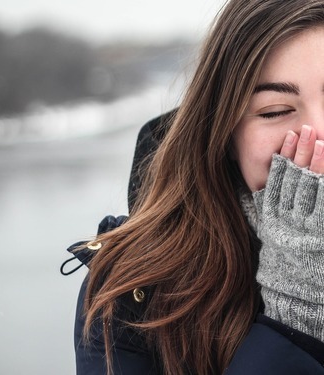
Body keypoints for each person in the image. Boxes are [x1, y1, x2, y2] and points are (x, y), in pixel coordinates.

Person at [62, 0, 324, 373]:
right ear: (226, 134)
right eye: (274, 111)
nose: (318, 138)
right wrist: (298, 311)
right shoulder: (132, 292)